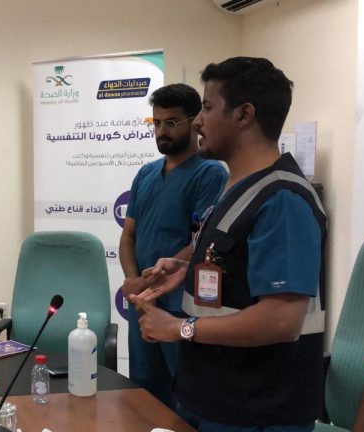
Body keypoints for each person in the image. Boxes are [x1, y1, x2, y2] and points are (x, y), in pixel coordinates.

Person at [131, 57, 327, 431]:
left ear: (244, 115)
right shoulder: (237, 189)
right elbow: (237, 271)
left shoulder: (282, 199)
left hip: (255, 412)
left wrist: (180, 328)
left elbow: (281, 319)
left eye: (206, 107)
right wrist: (186, 268)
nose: (198, 122)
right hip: (210, 398)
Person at [119, 83, 227, 409]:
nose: (162, 131)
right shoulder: (146, 174)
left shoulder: (209, 173)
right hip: (143, 303)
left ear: (195, 121)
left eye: (171, 122)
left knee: (182, 396)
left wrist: (151, 282)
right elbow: (128, 235)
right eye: (156, 122)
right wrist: (133, 280)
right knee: (142, 392)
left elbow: (201, 241)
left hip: (179, 307)